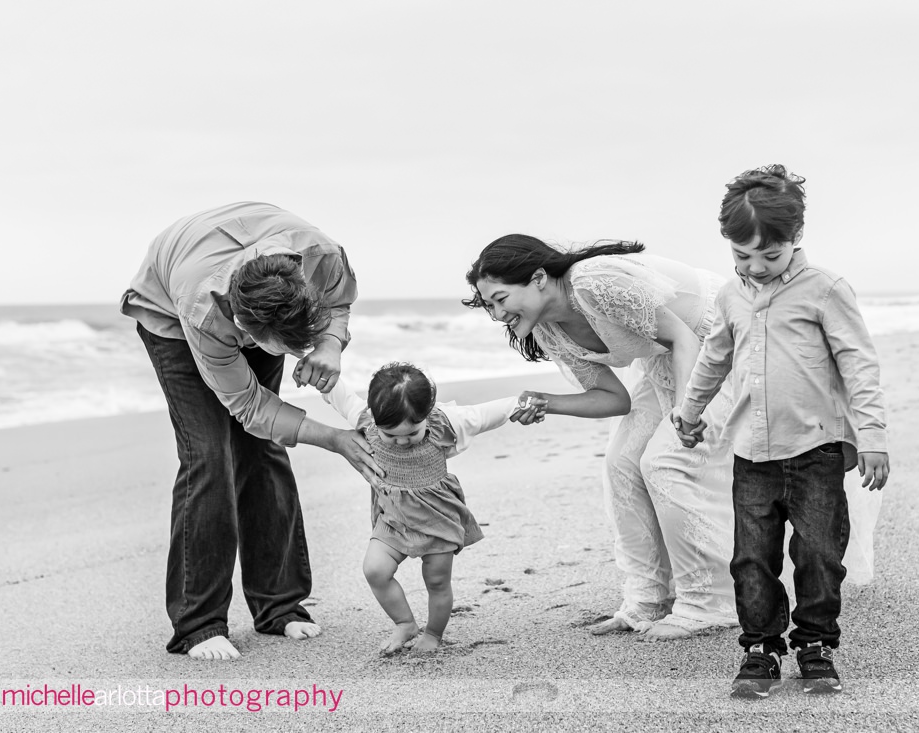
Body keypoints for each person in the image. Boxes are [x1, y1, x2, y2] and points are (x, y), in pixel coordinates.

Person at [120, 201, 383, 661]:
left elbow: (339, 299)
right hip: (170, 315)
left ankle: (280, 607)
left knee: (261, 452)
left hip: (260, 296)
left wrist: (329, 344)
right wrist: (336, 439)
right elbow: (249, 406)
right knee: (208, 455)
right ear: (244, 328)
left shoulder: (321, 255)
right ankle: (199, 624)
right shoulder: (204, 312)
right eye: (283, 348)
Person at [676, 165, 890, 698]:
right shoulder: (731, 295)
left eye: (769, 256)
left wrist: (874, 435)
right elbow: (713, 357)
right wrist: (689, 409)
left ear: (795, 238)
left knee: (818, 553)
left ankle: (815, 643)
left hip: (815, 447)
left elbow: (858, 364)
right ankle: (761, 647)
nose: (756, 266)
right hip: (751, 450)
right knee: (752, 556)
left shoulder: (826, 289)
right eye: (742, 256)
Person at [464, 235, 740, 640]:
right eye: (488, 305)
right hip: (664, 356)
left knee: (664, 463)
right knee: (621, 464)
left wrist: (686, 411)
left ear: (538, 278)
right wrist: (546, 402)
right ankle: (648, 598)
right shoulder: (549, 331)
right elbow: (614, 399)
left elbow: (684, 338)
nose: (496, 313)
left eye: (501, 299)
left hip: (716, 340)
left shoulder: (595, 282)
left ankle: (709, 602)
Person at [323, 363, 529, 654]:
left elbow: (485, 414)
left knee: (436, 580)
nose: (402, 440)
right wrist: (318, 375)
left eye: (412, 433)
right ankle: (405, 623)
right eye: (391, 435)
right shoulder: (366, 420)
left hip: (437, 517)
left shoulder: (445, 423)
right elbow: (339, 394)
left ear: (427, 414)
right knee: (375, 570)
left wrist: (518, 405)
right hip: (392, 517)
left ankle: (433, 633)